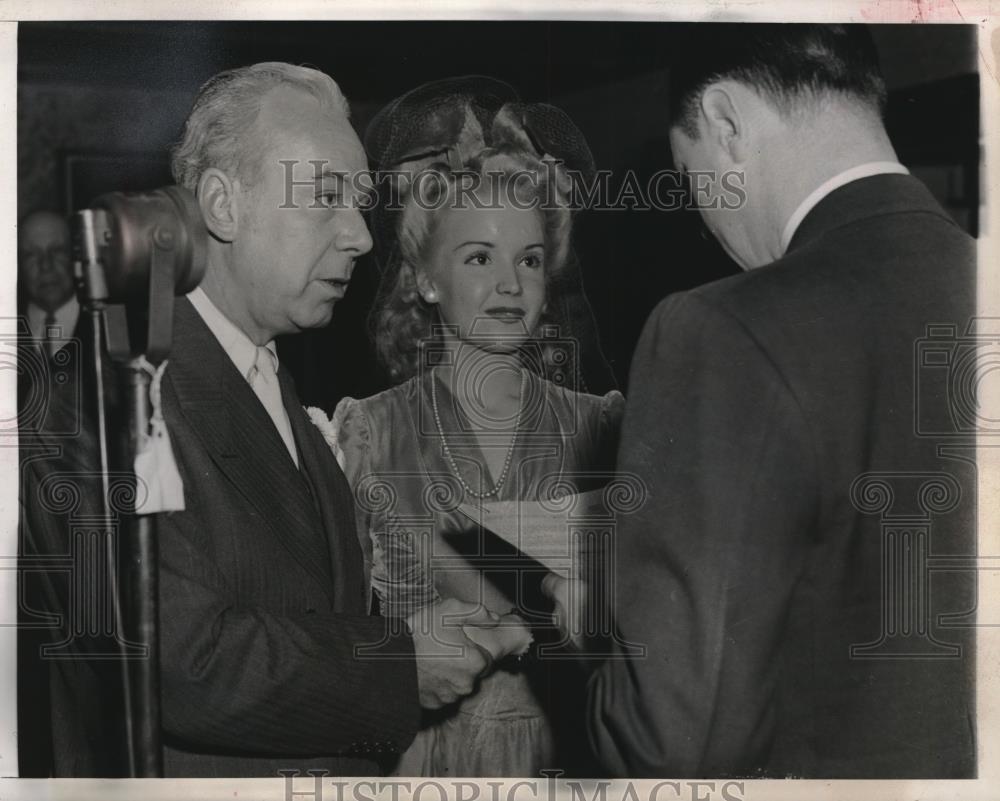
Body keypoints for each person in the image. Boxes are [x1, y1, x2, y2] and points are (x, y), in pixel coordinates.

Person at [19, 62, 496, 778]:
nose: (362, 237)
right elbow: (172, 659)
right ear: (222, 203)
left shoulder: (271, 377)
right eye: (325, 196)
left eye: (361, 202)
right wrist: (399, 664)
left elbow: (303, 607)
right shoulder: (109, 388)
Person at [569, 24, 977, 778]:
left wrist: (588, 635)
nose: (704, 222)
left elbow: (673, 743)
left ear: (725, 123)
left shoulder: (721, 330)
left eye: (691, 180)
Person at [318, 84, 624, 777]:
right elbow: (336, 642)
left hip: (566, 759)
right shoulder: (369, 431)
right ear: (426, 279)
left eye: (529, 259)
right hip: (419, 761)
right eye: (479, 258)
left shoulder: (601, 426)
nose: (511, 284)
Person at [19, 210, 79, 358]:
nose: (45, 265)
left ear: (75, 255)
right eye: (31, 255)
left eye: (57, 251)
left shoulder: (111, 327)